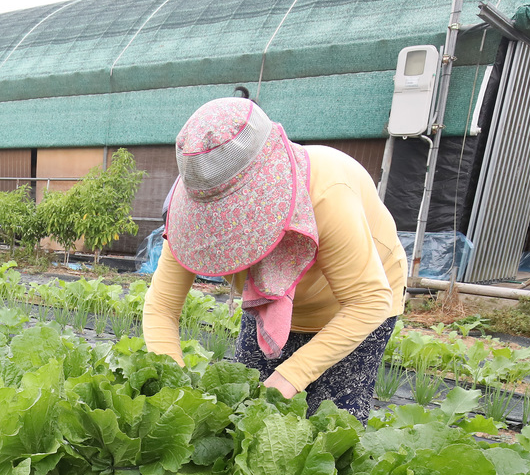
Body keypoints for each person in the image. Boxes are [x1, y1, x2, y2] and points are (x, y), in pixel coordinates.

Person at [143, 97, 406, 422]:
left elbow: (368, 301)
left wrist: (288, 378)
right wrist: (175, 387)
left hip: (353, 306)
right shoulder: (194, 214)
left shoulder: (328, 192)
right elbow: (161, 308)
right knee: (243, 419)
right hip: (267, 304)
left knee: (332, 428)